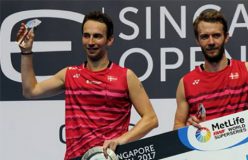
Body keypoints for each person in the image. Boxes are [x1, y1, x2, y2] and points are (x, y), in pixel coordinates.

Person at [17, 11, 158, 160]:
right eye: (86, 35)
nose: (90, 42)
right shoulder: (69, 74)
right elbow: (31, 91)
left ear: (110, 40)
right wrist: (26, 51)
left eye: (97, 36)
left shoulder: (126, 76)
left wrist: (122, 140)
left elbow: (151, 119)